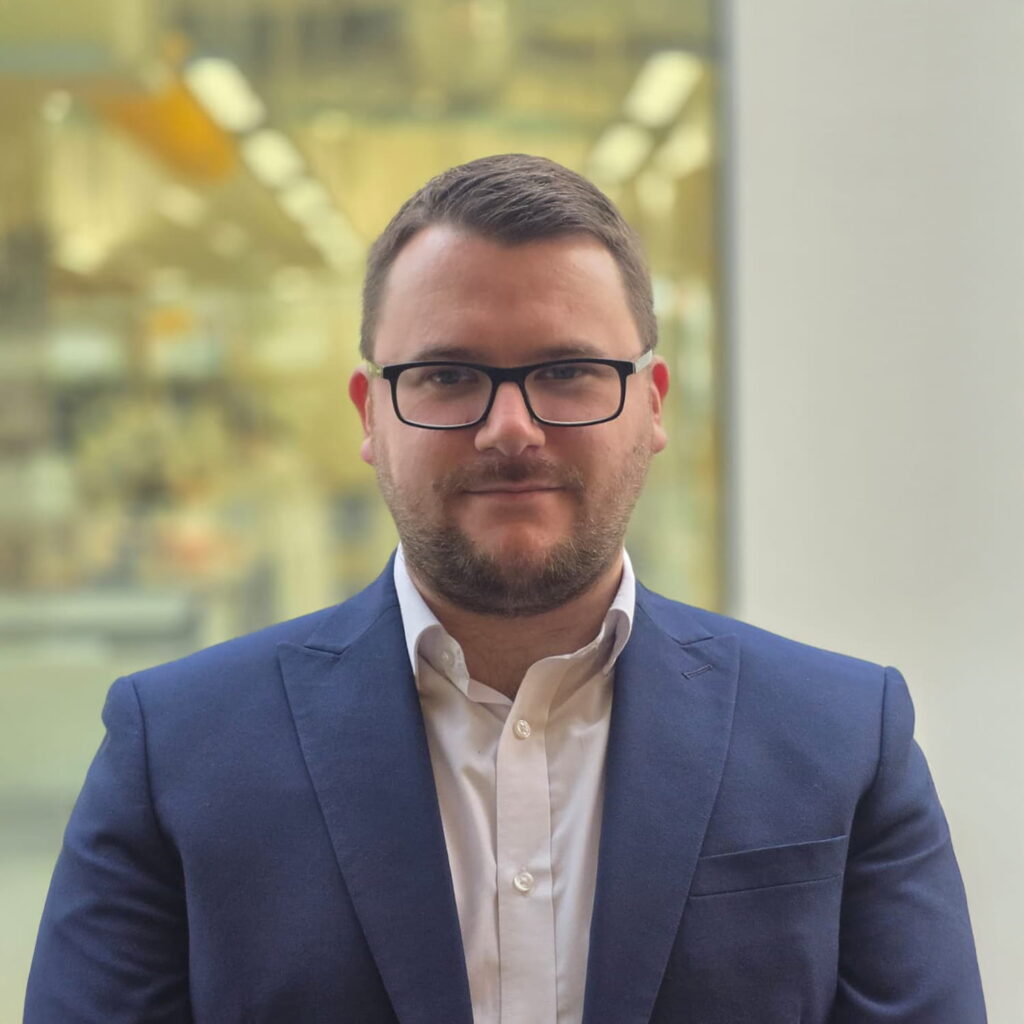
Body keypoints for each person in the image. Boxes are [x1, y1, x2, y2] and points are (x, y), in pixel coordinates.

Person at [26, 154, 986, 1024]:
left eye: (568, 372)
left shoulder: (842, 741)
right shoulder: (177, 755)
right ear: (372, 415)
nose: (511, 429)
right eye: (448, 375)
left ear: (653, 404)